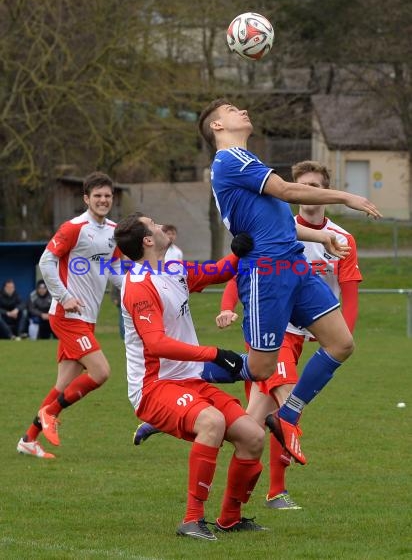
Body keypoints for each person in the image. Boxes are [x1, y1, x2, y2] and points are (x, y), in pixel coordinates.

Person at [198, 99, 381, 464]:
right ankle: (181, 374)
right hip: (267, 273)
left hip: (293, 266)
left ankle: (288, 415)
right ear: (217, 126)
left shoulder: (245, 162)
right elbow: (287, 191)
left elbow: (274, 219)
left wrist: (320, 237)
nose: (243, 111)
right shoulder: (231, 160)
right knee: (262, 368)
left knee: (342, 343)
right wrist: (346, 196)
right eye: (232, 110)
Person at [216, 160, 362, 509]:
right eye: (303, 186)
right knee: (286, 410)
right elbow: (241, 268)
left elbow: (350, 293)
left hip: (312, 329)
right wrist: (227, 305)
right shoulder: (277, 226)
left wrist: (342, 341)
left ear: (323, 190)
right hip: (277, 331)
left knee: (251, 425)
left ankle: (185, 426)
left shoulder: (342, 238)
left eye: (315, 186)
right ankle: (276, 492)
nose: (309, 192)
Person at [114, 212, 267, 540]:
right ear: (148, 241)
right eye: (154, 224)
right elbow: (156, 343)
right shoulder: (139, 285)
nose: (161, 225)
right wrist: (213, 353)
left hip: (191, 381)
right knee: (211, 422)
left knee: (253, 437)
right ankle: (192, 520)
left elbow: (219, 271)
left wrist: (238, 251)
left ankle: (230, 518)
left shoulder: (173, 269)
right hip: (154, 387)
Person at [17, 171, 123, 459]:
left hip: (87, 319)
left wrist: (136, 287)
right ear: (86, 198)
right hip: (66, 315)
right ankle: (50, 413)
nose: (103, 200)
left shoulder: (114, 230)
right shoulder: (73, 227)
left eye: (107, 196)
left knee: (62, 386)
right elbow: (46, 261)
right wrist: (64, 297)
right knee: (101, 372)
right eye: (97, 196)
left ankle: (28, 439)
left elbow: (113, 271)